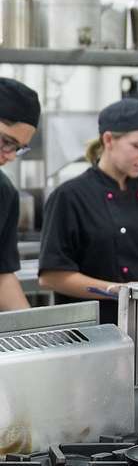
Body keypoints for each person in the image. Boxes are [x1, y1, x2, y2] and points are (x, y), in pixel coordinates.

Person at [39, 99, 138, 323]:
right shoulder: (70, 196)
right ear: (108, 140)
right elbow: (51, 276)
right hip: (92, 330)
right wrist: (118, 290)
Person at [0, 77, 40, 311]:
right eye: (6, 141)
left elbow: (2, 276)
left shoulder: (4, 192)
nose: (11, 155)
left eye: (18, 148)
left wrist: (38, 334)